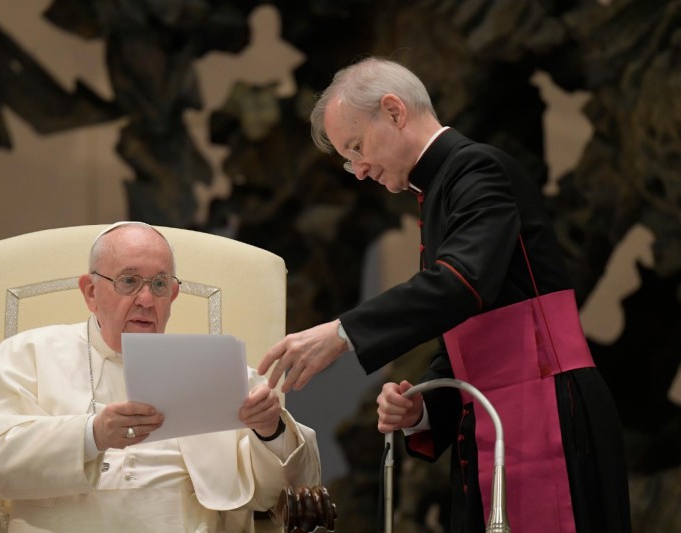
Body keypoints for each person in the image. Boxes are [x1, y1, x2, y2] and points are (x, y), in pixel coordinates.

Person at [258, 57, 631, 532]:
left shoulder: (477, 169)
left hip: (544, 409)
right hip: (499, 414)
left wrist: (342, 333)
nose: (358, 170)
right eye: (349, 159)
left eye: (356, 147)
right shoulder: (441, 187)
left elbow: (462, 284)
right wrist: (423, 408)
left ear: (394, 111)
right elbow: (470, 333)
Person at [0, 221, 321, 533]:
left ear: (173, 294)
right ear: (91, 292)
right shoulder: (27, 354)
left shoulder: (215, 369)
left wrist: (269, 430)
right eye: (128, 281)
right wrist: (91, 435)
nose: (146, 299)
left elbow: (287, 490)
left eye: (159, 284)